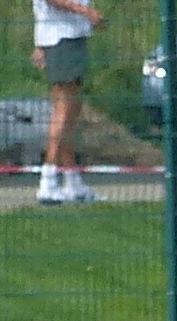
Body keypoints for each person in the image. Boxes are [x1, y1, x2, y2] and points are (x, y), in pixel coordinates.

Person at [35, 0, 102, 204]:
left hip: (69, 35)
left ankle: (72, 181)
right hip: (61, 37)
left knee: (71, 110)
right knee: (63, 110)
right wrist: (85, 11)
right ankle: (48, 181)